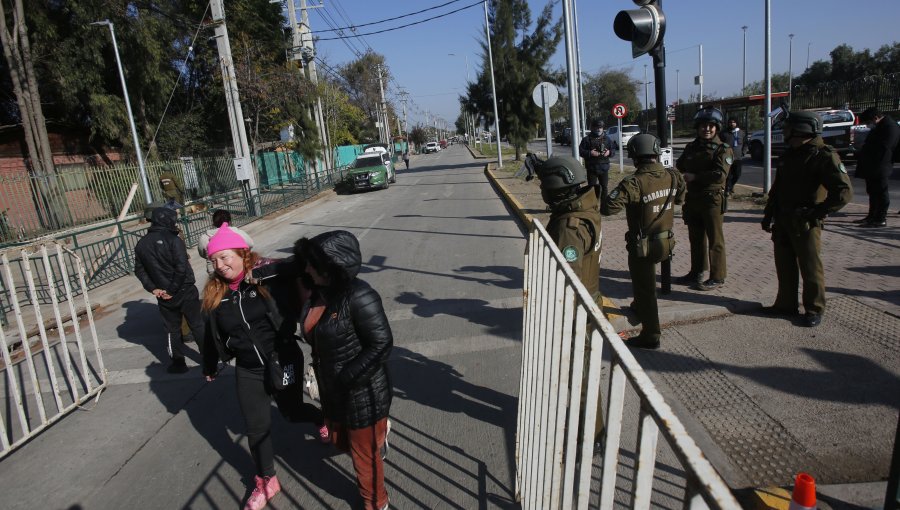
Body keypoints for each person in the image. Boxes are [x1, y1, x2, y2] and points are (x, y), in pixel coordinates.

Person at [201, 224, 323, 510]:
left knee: (291, 412)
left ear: (243, 255)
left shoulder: (267, 279)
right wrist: (208, 364)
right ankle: (267, 479)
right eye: (215, 260)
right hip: (247, 368)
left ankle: (321, 420)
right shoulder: (215, 295)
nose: (220, 265)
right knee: (256, 427)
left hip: (283, 358)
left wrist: (265, 272)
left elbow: (302, 265)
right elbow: (210, 334)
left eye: (226, 257)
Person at [294, 230, 393, 510]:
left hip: (362, 390)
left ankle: (377, 503)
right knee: (340, 443)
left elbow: (382, 343)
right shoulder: (318, 292)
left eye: (313, 264)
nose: (307, 269)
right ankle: (380, 434)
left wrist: (347, 377)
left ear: (333, 266)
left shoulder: (360, 296)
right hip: (332, 389)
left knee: (364, 458)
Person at [761, 111, 852, 327]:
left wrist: (817, 212)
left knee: (810, 267)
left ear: (802, 129)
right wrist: (769, 215)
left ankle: (814, 308)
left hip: (806, 222)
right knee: (784, 265)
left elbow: (843, 192)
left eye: (788, 127)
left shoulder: (823, 155)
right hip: (783, 220)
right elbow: (777, 190)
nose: (784, 131)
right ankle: (785, 304)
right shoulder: (789, 154)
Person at [602, 134, 685, 349]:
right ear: (656, 153)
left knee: (645, 288)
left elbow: (609, 208)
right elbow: (681, 198)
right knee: (644, 288)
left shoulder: (634, 182)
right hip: (667, 242)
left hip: (643, 246)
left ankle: (651, 335)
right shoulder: (673, 175)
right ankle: (639, 307)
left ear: (634, 156)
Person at [133, 207, 204, 373]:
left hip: (164, 294)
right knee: (197, 324)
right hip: (183, 289)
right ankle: (209, 359)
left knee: (172, 329)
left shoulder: (142, 243)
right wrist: (171, 289)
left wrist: (154, 288)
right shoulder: (174, 239)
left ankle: (178, 363)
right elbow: (181, 267)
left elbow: (139, 270)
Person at [675, 107, 733, 291]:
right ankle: (697, 271)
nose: (706, 129)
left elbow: (720, 175)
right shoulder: (692, 147)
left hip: (712, 199)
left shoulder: (723, 149)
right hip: (693, 199)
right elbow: (681, 164)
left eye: (711, 126)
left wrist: (696, 176)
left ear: (717, 128)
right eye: (703, 126)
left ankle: (718, 276)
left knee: (715, 239)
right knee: (696, 237)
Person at [534, 155, 603, 305]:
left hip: (576, 313)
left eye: (543, 184)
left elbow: (566, 281)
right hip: (589, 301)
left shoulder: (569, 228)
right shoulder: (587, 206)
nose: (541, 188)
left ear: (554, 186)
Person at [855, 107, 899, 228]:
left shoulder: (890, 127)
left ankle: (880, 218)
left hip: (881, 165)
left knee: (881, 192)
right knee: (872, 192)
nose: (868, 125)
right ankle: (871, 216)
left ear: (875, 118)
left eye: (868, 122)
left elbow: (885, 147)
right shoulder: (880, 126)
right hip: (872, 165)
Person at [578, 119, 615, 205]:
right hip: (592, 168)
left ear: (603, 128)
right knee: (591, 188)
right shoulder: (586, 140)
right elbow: (581, 151)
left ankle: (604, 205)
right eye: (597, 127)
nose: (598, 129)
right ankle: (592, 206)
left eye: (600, 127)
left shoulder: (607, 139)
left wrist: (609, 152)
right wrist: (590, 153)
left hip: (604, 168)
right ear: (592, 128)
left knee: (604, 187)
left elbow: (613, 150)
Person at [723, 118, 747, 195]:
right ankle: (727, 189)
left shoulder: (741, 133)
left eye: (733, 122)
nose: (732, 124)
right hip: (727, 158)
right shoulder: (724, 133)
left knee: (737, 174)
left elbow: (746, 143)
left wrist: (743, 152)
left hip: (738, 158)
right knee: (728, 175)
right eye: (730, 122)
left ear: (736, 123)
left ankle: (731, 186)